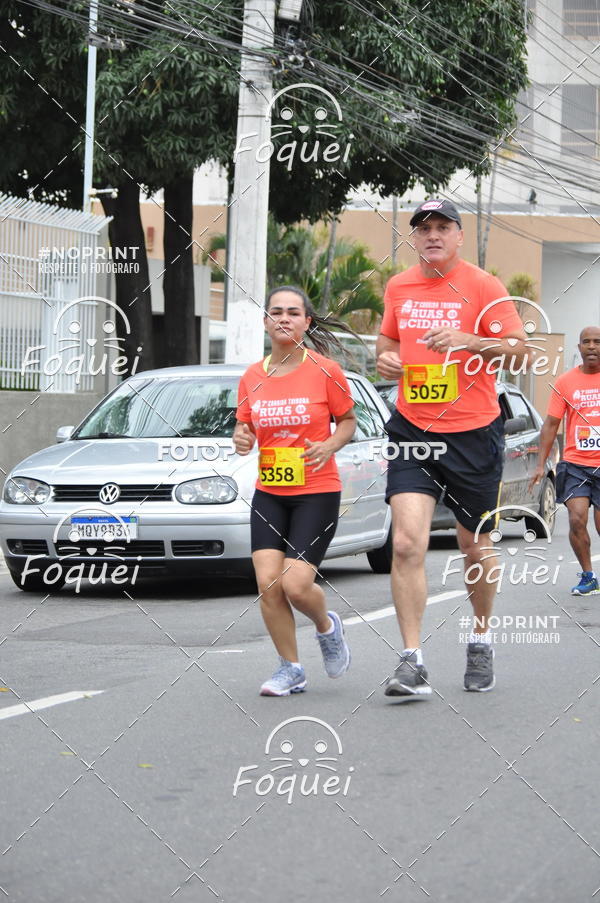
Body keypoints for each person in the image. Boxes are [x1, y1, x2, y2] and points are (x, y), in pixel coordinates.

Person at [376, 198, 528, 696]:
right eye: (424, 228)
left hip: (473, 433)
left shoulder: (484, 286)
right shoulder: (399, 286)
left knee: (473, 545)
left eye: (443, 227)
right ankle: (412, 659)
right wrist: (388, 361)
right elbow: (386, 345)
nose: (433, 235)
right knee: (405, 543)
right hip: (413, 429)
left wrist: (468, 339)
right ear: (414, 238)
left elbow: (520, 348)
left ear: (459, 236)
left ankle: (481, 638)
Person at [233, 285, 357, 696]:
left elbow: (348, 422)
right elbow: (245, 424)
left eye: (292, 312)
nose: (283, 318)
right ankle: (291, 668)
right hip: (271, 490)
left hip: (317, 491)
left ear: (306, 322)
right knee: (268, 583)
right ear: (266, 321)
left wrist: (330, 444)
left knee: (296, 585)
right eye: (276, 312)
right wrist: (242, 437)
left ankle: (327, 627)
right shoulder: (253, 375)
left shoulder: (325, 370)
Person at [530, 326, 600, 595]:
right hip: (575, 463)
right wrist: (540, 464)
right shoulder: (565, 382)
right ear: (579, 348)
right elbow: (550, 425)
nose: (592, 346)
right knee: (576, 519)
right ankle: (588, 576)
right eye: (586, 342)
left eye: (597, 342)